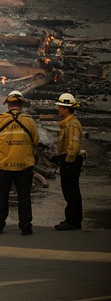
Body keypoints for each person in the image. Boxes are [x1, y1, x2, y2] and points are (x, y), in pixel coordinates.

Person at [0, 90, 39, 235]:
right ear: (21, 105)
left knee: (1, 196)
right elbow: (35, 141)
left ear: (8, 105)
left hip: (2, 166)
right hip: (24, 165)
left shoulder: (0, 120)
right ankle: (25, 227)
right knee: (24, 196)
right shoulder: (29, 121)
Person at [53, 92, 85, 231]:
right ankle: (72, 219)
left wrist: (67, 162)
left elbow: (73, 145)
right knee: (70, 192)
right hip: (68, 160)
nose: (58, 109)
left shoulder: (72, 125)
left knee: (71, 192)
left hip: (70, 162)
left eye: (60, 107)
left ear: (66, 109)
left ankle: (73, 221)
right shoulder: (68, 123)